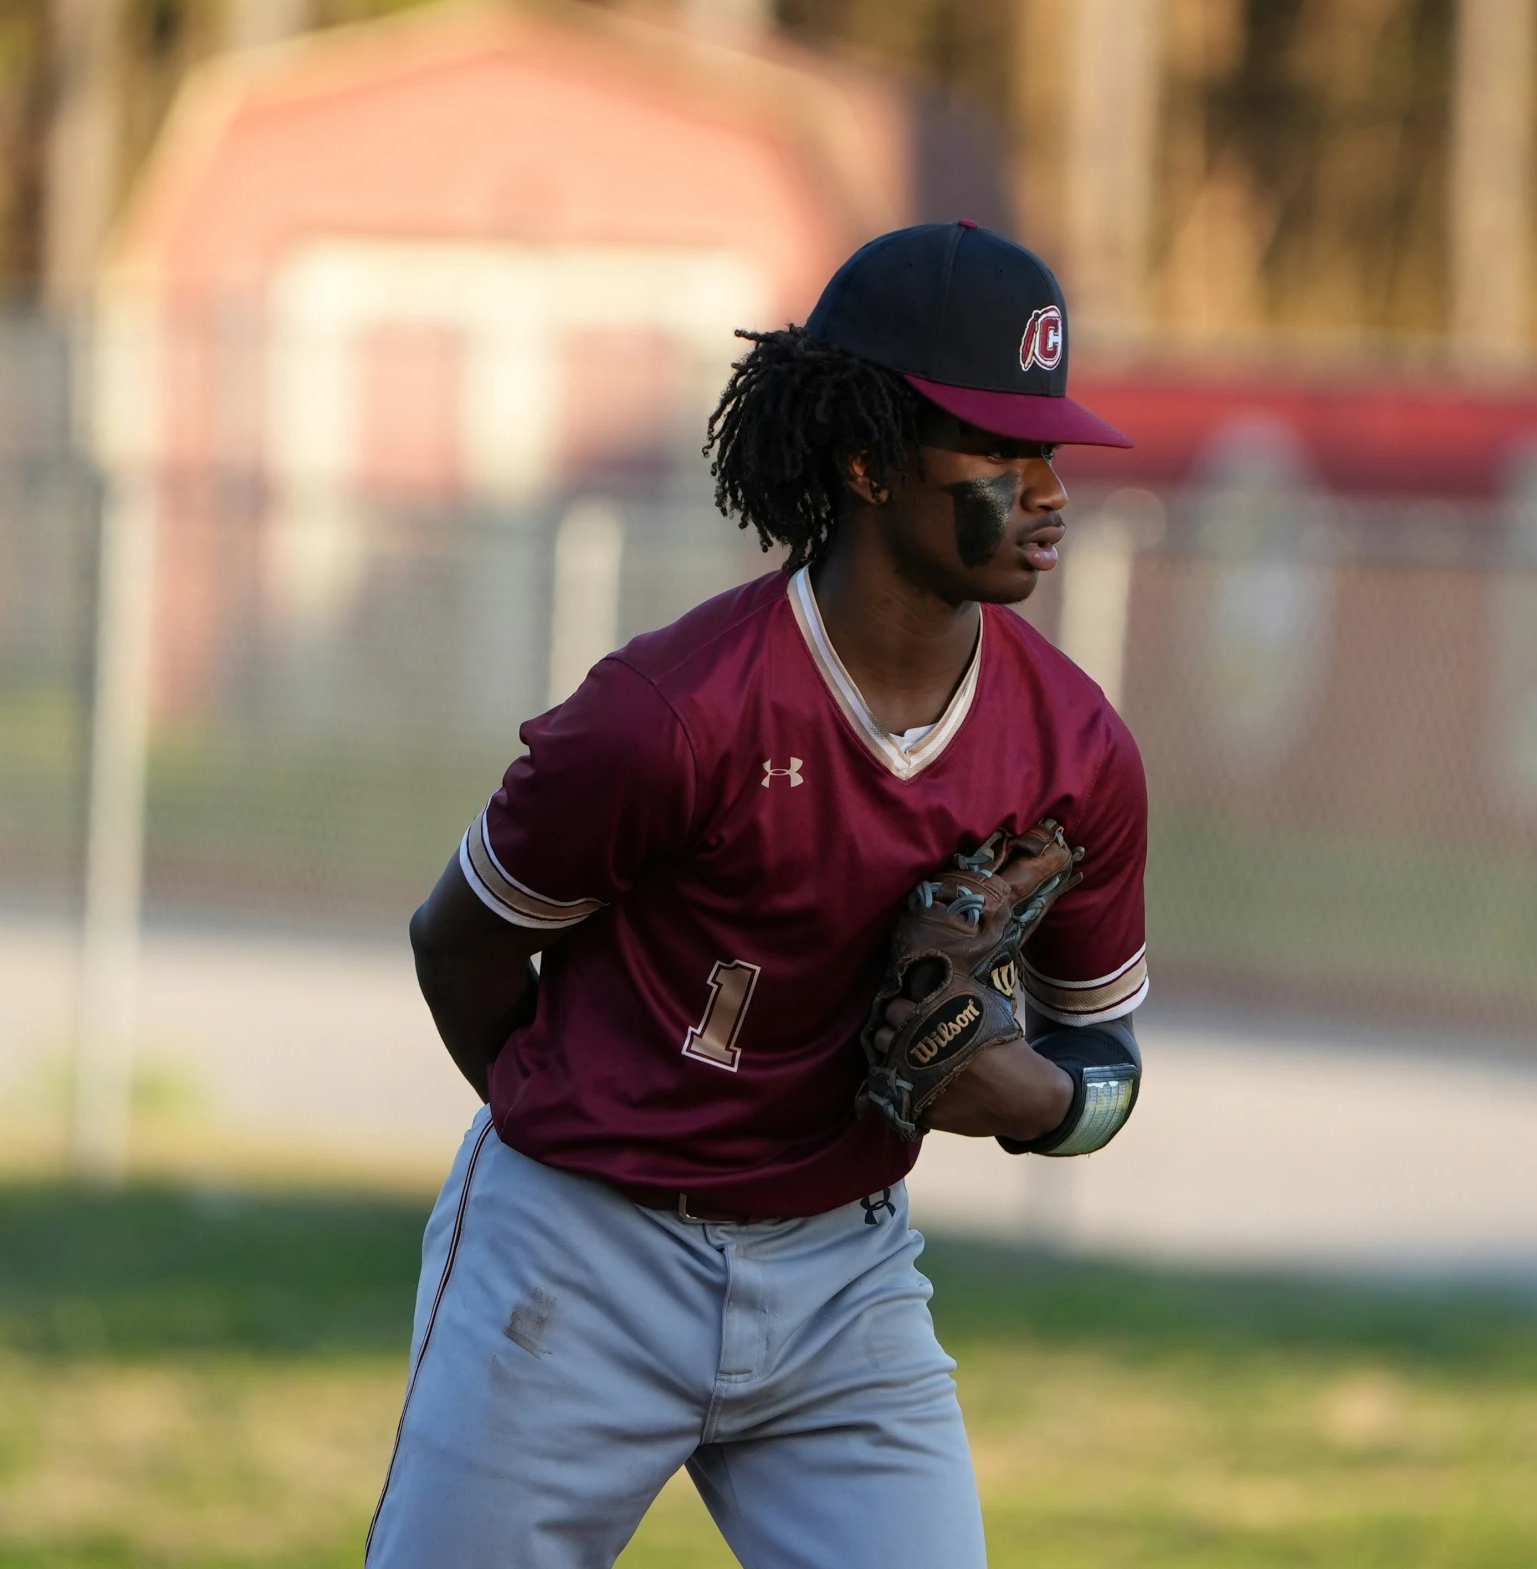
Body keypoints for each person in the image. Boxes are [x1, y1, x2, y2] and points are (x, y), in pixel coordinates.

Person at [366, 221, 1150, 1569]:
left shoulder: (1078, 753)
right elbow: (460, 944)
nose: (1047, 490)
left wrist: (1035, 1101)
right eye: (998, 448)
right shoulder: (669, 717)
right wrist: (595, 1143)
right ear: (863, 457)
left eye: (1053, 450)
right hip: (582, 1255)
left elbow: (1109, 1062)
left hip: (846, 1281)